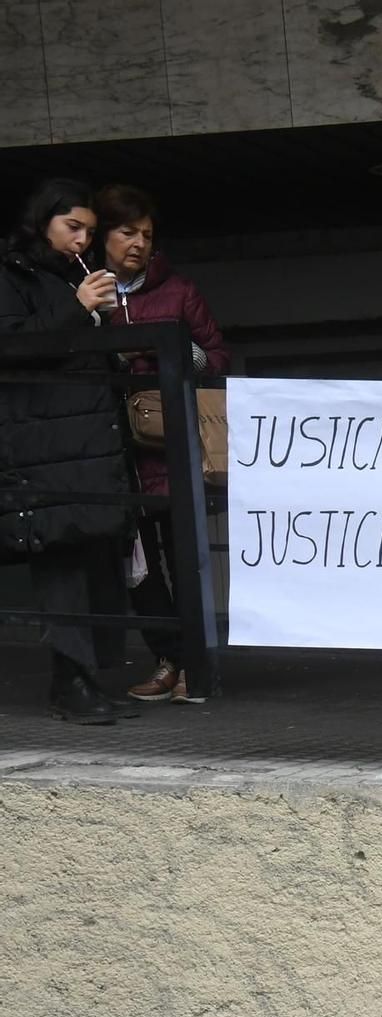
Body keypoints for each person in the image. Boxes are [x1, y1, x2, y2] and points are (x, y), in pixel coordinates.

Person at [0, 179, 135, 724]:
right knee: (62, 562)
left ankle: (89, 679)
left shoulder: (71, 278)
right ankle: (70, 683)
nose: (82, 240)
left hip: (88, 442)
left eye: (89, 231)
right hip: (44, 448)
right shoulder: (14, 275)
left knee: (97, 558)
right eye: (71, 227)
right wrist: (79, 309)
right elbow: (13, 346)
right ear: (42, 223)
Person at [93, 184, 230, 704]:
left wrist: (168, 351)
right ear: (104, 237)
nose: (139, 243)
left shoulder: (178, 291)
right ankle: (169, 659)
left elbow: (217, 359)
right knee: (136, 568)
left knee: (183, 556)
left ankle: (197, 664)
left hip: (169, 445)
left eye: (147, 235)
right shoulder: (79, 292)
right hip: (110, 451)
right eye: (127, 232)